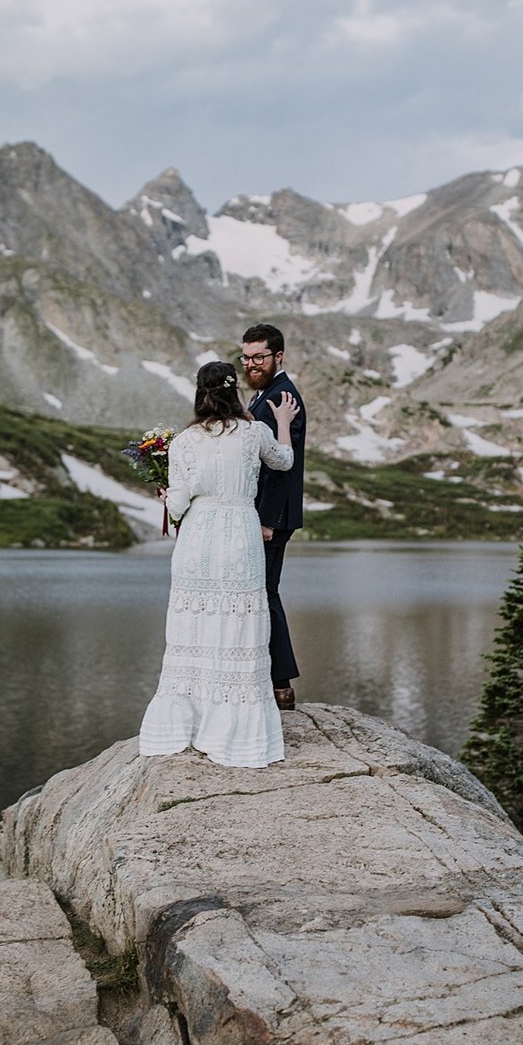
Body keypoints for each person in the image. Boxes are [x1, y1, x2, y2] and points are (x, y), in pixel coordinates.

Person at [139, 360, 298, 768]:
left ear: (199, 393)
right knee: (237, 623)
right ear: (234, 392)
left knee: (196, 624)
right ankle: (234, 729)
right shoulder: (253, 433)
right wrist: (280, 421)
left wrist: (166, 498)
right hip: (239, 536)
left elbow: (177, 504)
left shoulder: (184, 442)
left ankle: (186, 723)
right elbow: (284, 462)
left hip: (197, 539)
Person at [242, 323, 306, 711]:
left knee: (265, 593)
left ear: (278, 356)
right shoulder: (263, 394)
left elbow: (281, 467)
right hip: (264, 515)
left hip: (272, 519)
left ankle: (281, 685)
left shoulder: (282, 397)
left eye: (259, 357)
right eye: (246, 357)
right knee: (261, 593)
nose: (251, 364)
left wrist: (266, 520)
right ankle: (271, 679)